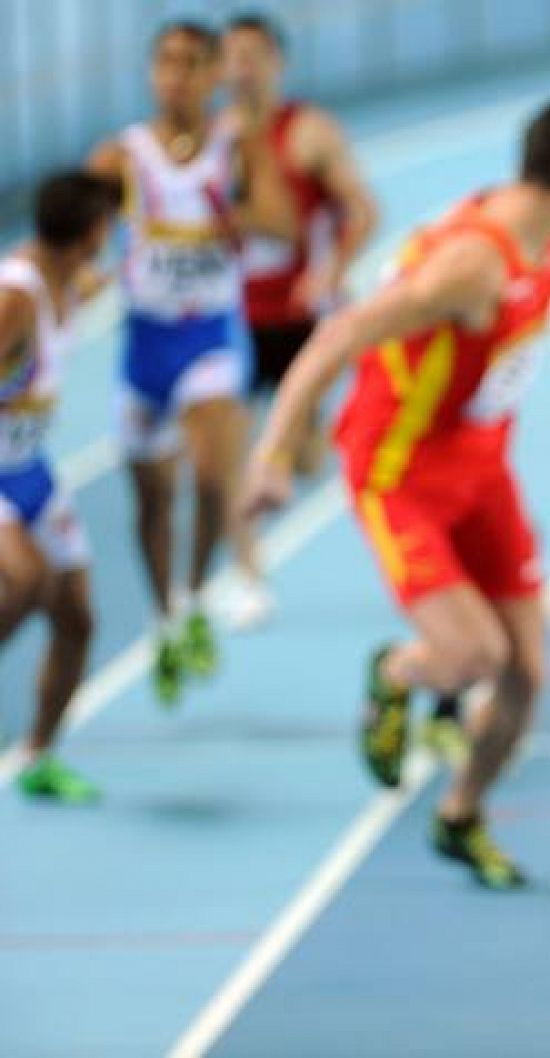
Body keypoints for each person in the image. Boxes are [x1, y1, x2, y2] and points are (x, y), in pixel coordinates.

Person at [241, 100, 550, 889]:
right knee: (472, 652)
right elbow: (340, 335)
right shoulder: (475, 266)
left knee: (527, 673)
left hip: (481, 466)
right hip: (399, 467)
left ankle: (460, 815)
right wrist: (273, 452)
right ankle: (397, 674)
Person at [85, 20, 295, 707]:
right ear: (152, 74)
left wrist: (240, 212)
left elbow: (282, 223)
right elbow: (76, 242)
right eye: (165, 63)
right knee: (152, 500)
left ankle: (199, 591)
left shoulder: (237, 145)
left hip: (209, 335)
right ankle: (166, 614)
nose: (176, 76)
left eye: (191, 64)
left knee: (211, 479)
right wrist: (88, 274)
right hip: (145, 344)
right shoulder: (123, 154)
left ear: (212, 76)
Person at [219, 11, 380, 631]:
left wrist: (332, 271)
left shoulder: (308, 133)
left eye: (254, 55)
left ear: (277, 63)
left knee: (308, 458)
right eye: (231, 56)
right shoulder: (217, 139)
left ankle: (297, 453)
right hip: (235, 322)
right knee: (231, 454)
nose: (242, 67)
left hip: (302, 316)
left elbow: (364, 210)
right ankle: (250, 578)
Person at [0, 171, 120, 802]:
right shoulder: (17, 298)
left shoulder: (69, 277)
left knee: (76, 618)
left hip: (31, 471)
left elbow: (98, 284)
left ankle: (39, 755)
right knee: (24, 580)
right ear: (94, 231)